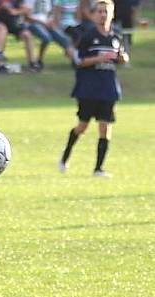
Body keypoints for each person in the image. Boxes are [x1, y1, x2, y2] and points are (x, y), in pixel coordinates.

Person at [59, 0, 128, 178]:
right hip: (89, 88)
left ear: (111, 14)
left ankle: (98, 169)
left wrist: (121, 58)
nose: (102, 14)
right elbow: (80, 61)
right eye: (99, 11)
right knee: (82, 126)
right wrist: (99, 58)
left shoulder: (116, 36)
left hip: (109, 88)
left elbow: (124, 57)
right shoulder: (88, 36)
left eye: (106, 11)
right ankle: (65, 157)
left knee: (105, 128)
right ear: (93, 14)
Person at [23, 0, 74, 67]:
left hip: (46, 24)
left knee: (64, 39)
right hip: (33, 24)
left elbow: (51, 14)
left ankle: (75, 60)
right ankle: (38, 60)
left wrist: (51, 21)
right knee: (46, 38)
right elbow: (27, 17)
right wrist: (42, 23)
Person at [0, 0, 39, 71]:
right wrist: (1, 7)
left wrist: (15, 11)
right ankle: (0, 64)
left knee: (27, 35)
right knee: (1, 33)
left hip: (14, 24)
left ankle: (33, 63)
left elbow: (25, 10)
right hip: (0, 24)